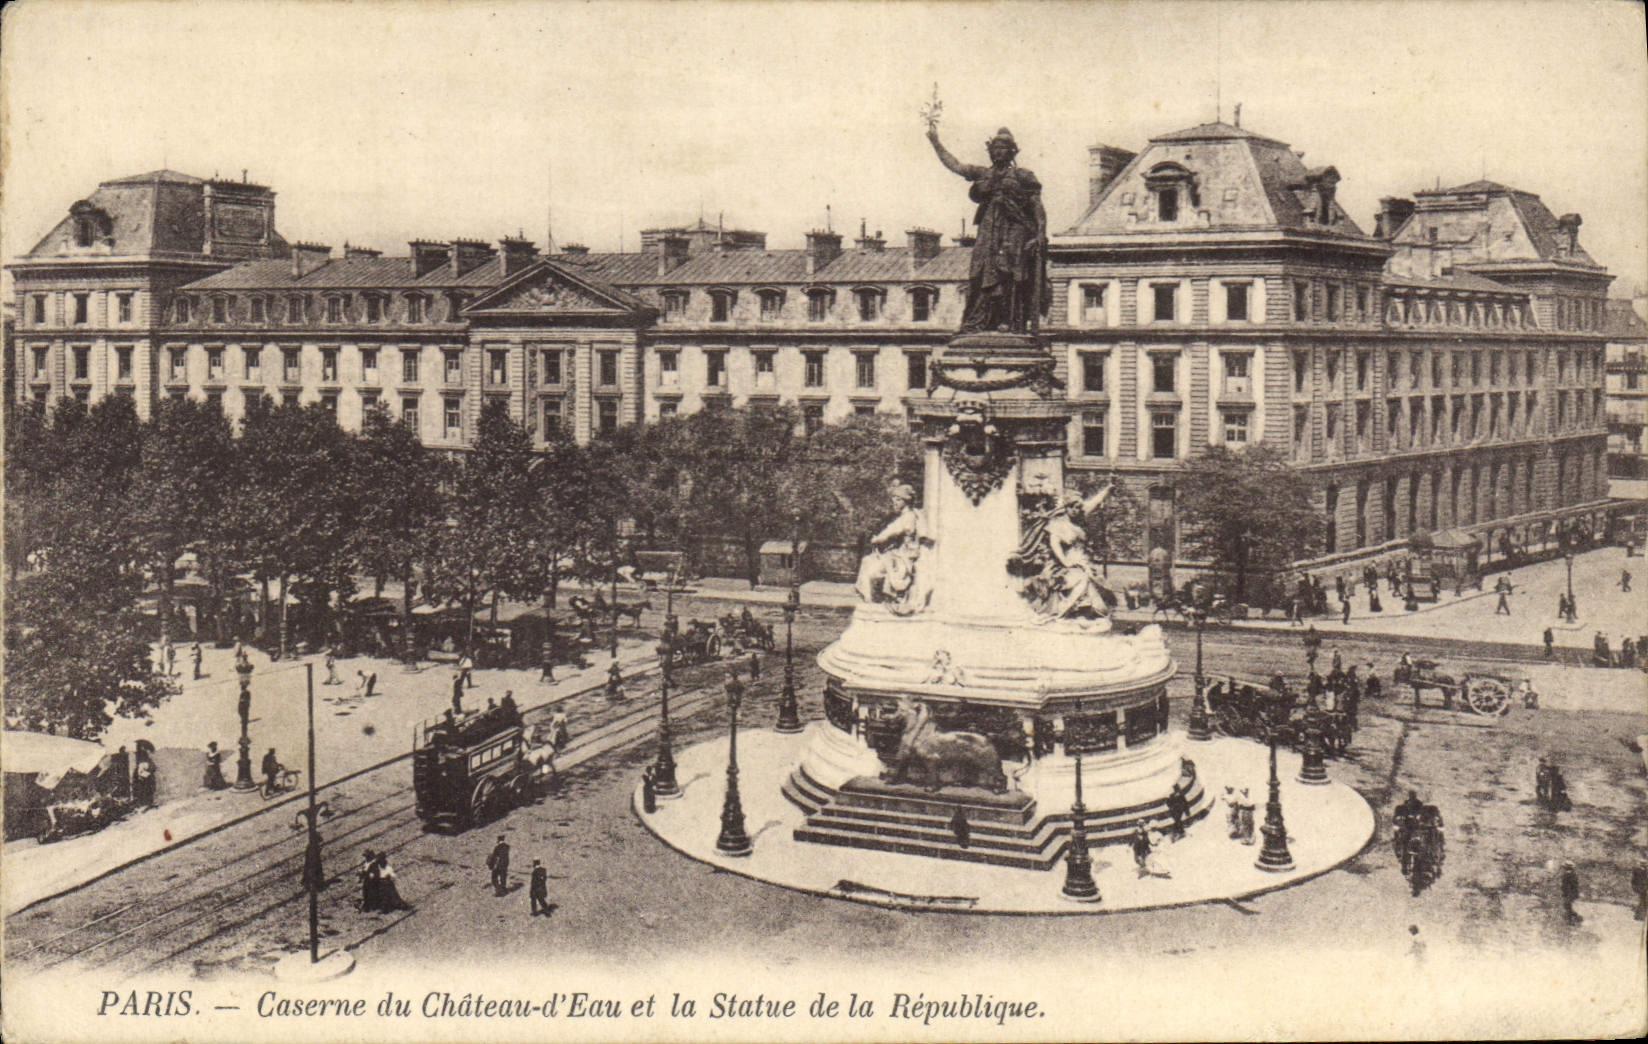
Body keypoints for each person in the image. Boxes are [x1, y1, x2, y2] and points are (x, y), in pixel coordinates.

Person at [926, 122, 1049, 335]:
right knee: (981, 272)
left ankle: (1011, 322)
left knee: (1010, 273)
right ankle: (980, 322)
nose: (999, 152)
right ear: (990, 152)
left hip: (1015, 228)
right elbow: (955, 165)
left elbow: (1037, 207)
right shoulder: (982, 174)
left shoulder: (1023, 176)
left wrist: (1040, 234)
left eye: (1004, 148)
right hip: (989, 228)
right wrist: (936, 142)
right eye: (996, 148)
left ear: (1012, 152)